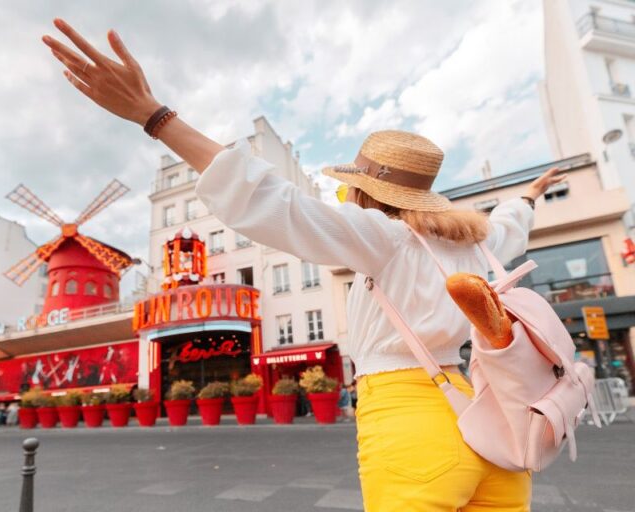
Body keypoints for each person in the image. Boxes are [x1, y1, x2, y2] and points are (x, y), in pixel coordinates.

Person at [41, 19, 566, 510]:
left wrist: (155, 117)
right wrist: (531, 195)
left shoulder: (383, 237)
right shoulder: (475, 242)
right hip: (487, 424)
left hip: (411, 422)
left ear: (366, 194)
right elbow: (510, 224)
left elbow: (275, 202)